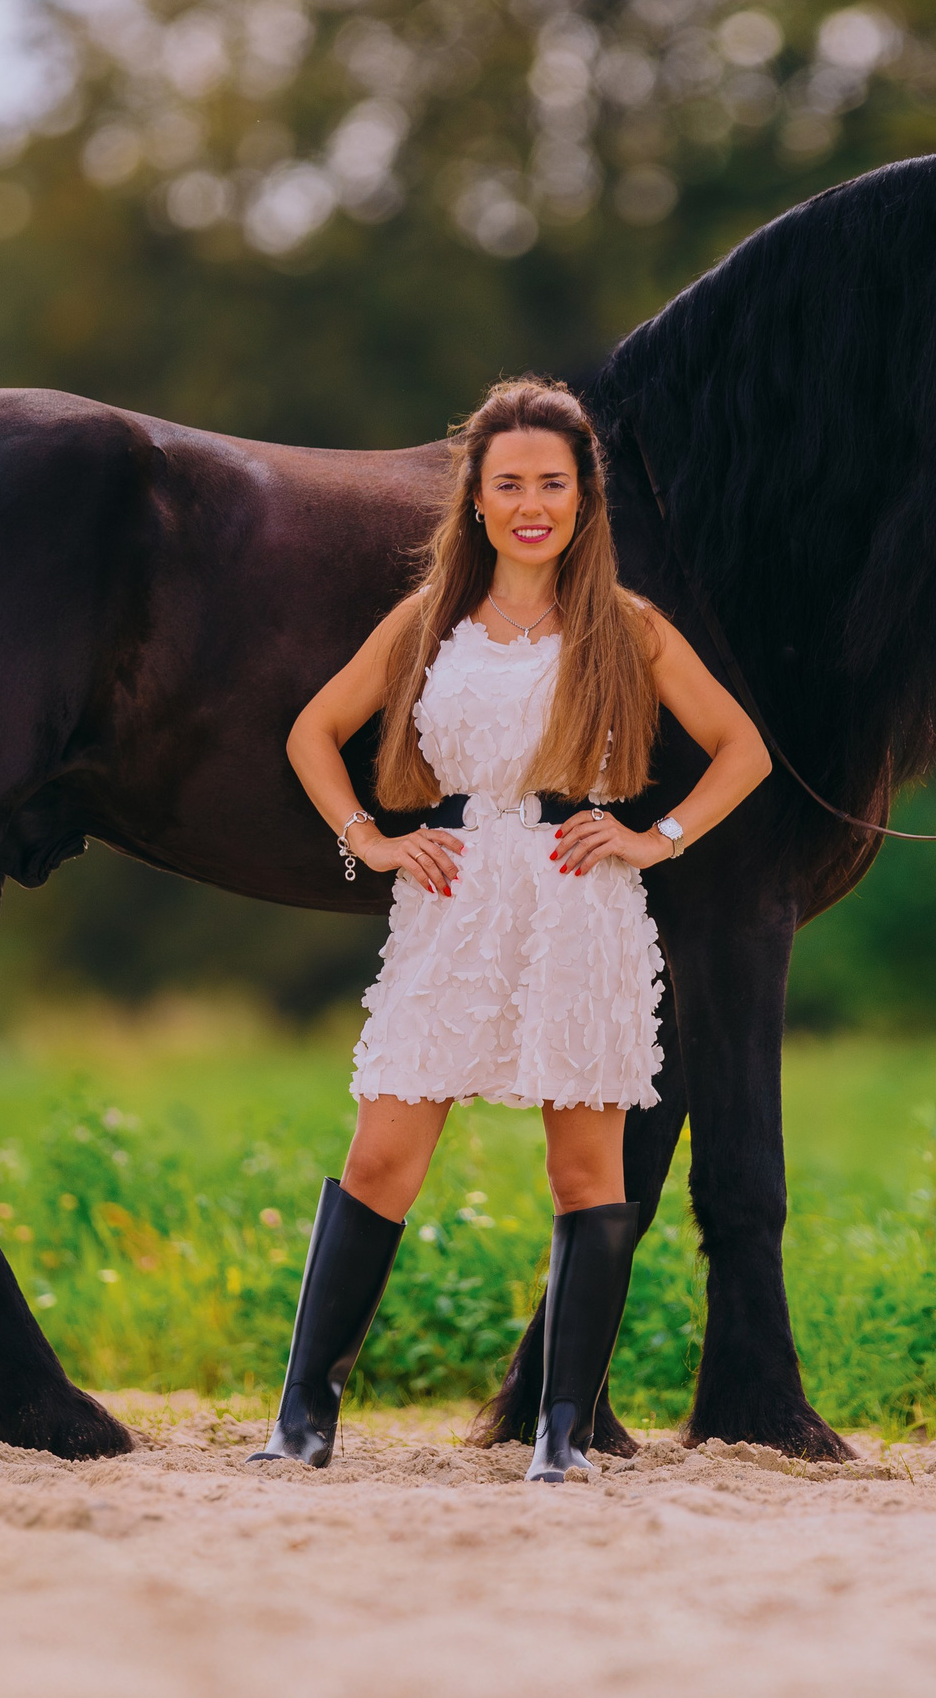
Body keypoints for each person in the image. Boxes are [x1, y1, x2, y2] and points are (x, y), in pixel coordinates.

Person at [262, 376, 770, 1482]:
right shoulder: (429, 623)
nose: (530, 503)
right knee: (383, 1153)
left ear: (584, 497)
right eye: (508, 485)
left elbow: (744, 750)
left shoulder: (628, 628)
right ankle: (302, 1423)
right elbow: (314, 731)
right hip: (449, 903)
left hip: (576, 906)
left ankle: (558, 1437)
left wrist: (656, 836)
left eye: (551, 482)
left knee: (587, 1170)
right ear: (477, 501)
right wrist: (371, 838)